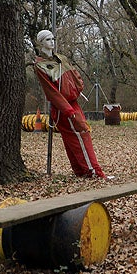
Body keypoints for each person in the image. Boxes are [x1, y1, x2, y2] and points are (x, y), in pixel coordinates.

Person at [32, 30, 108, 179]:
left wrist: (78, 88)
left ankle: (81, 170)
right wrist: (67, 109)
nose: (52, 42)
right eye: (48, 39)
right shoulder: (41, 66)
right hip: (64, 108)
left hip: (72, 103)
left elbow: (75, 75)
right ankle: (94, 171)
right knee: (80, 134)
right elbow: (51, 92)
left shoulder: (61, 58)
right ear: (41, 43)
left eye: (53, 38)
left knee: (74, 137)